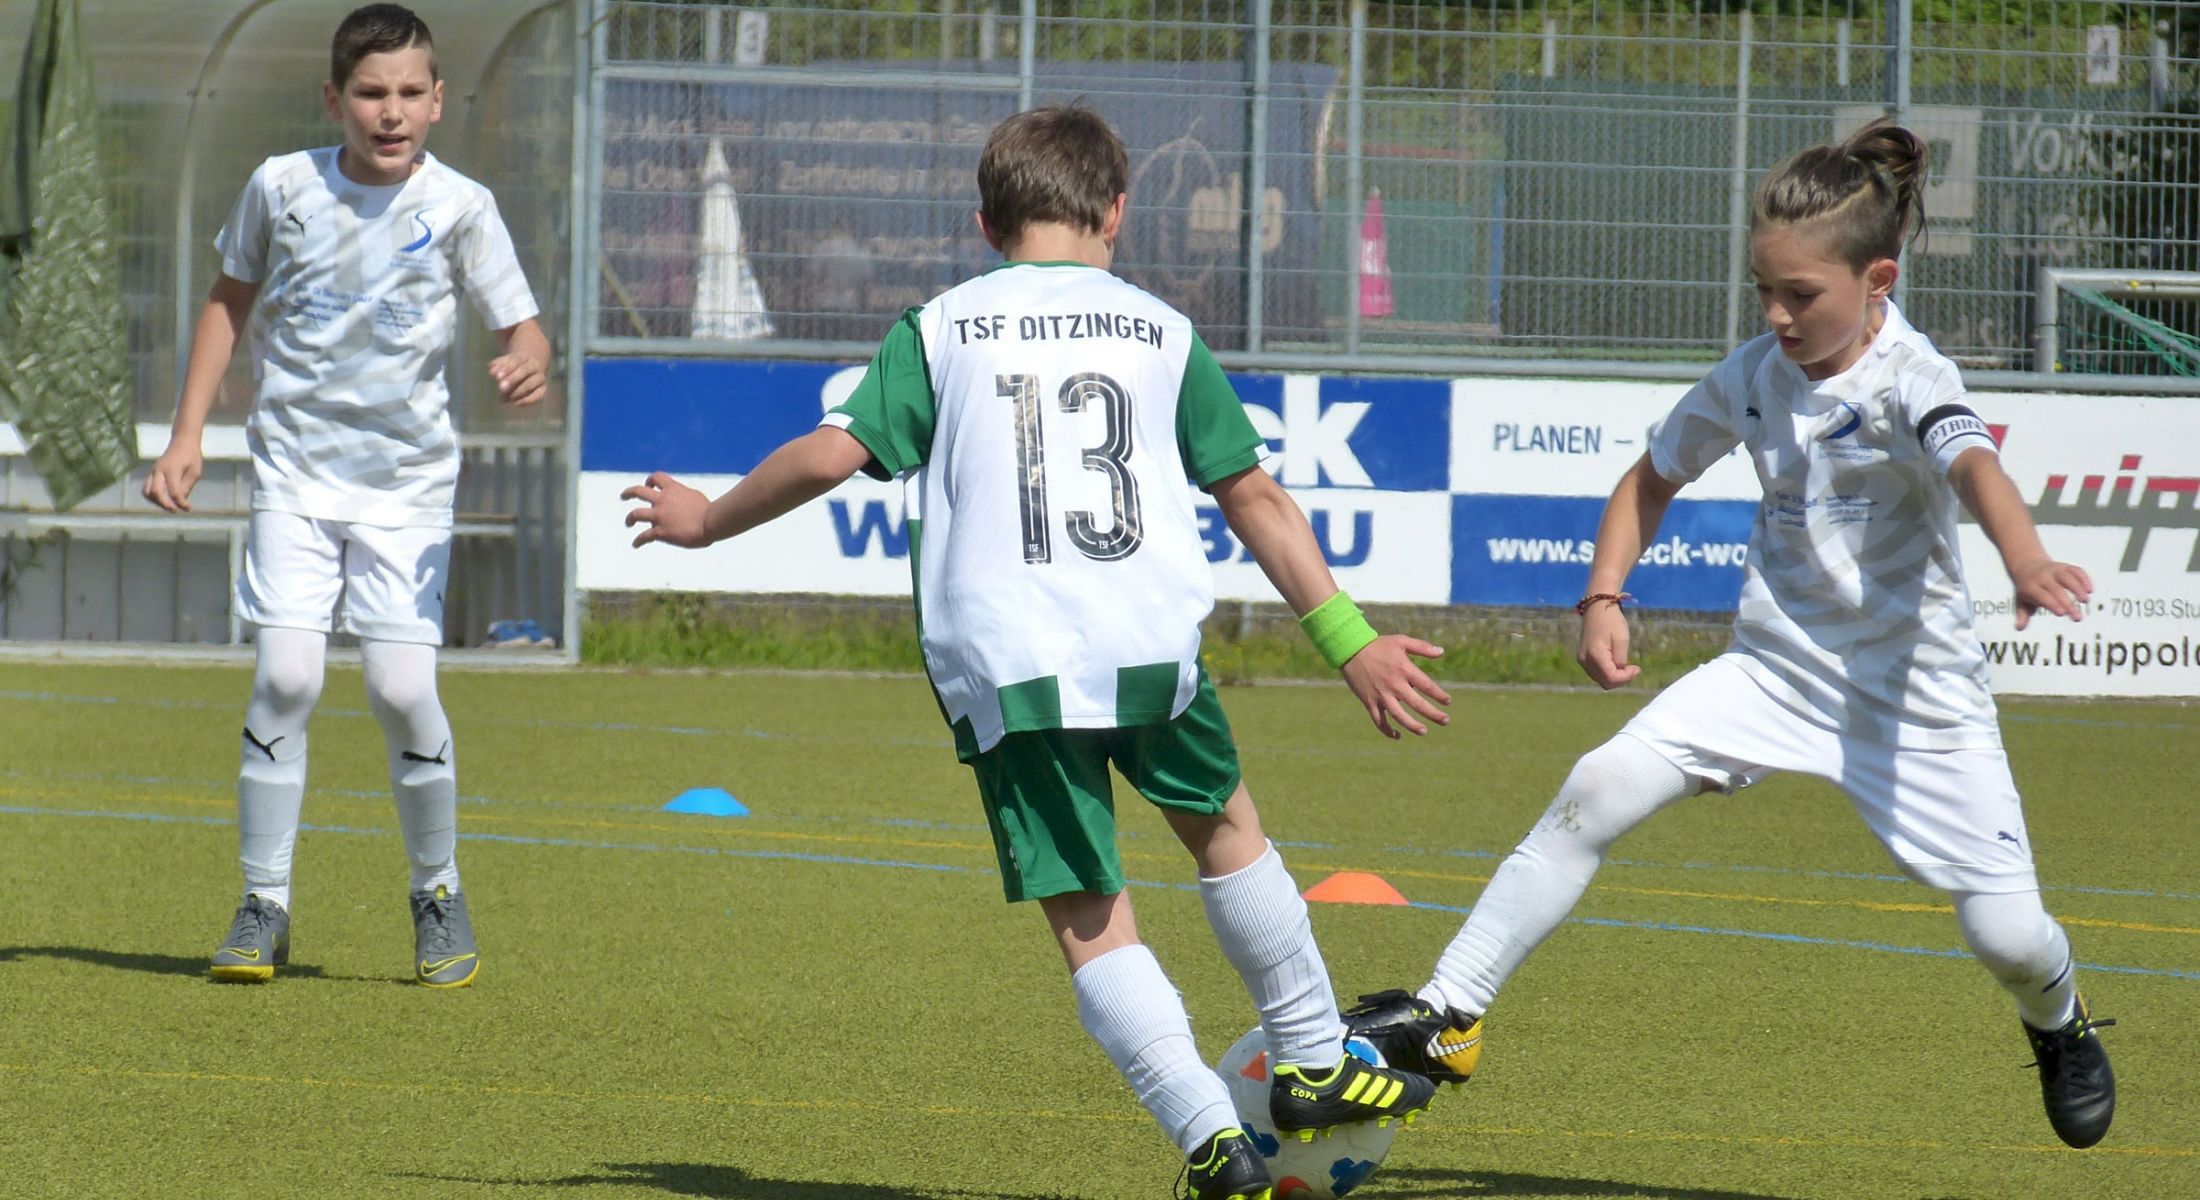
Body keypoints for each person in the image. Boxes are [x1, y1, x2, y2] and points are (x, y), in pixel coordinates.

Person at [622, 105, 1448, 1199]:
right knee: (1226, 830)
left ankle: (1212, 1135)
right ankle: (1304, 1056)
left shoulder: (941, 327)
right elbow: (1254, 494)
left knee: (1088, 913)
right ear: (1116, 212)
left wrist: (711, 520)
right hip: (1146, 639)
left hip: (1007, 658)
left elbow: (832, 455)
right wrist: (1351, 645)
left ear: (984, 223)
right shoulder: (1159, 330)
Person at [1343, 119, 2117, 1151]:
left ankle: (2059, 1023)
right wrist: (1603, 598)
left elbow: (1974, 463)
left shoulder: (1912, 377)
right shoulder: (1754, 372)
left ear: (1876, 278)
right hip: (1773, 672)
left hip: (1914, 700)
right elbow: (1649, 477)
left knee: (2009, 936)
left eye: (1802, 295)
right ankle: (1448, 1014)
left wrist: (2021, 558)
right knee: (1598, 783)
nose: (1777, 314)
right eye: (1764, 289)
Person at [143, 4, 550, 989]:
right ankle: (263, 904)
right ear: (335, 99)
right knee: (287, 678)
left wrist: (526, 361)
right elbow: (226, 302)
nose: (391, 110)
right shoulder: (280, 187)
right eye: (371, 92)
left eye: (411, 92)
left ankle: (437, 893)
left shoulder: (462, 206)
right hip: (293, 476)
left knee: (402, 690)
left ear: (439, 101)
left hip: (407, 491)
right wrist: (188, 434)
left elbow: (522, 327)